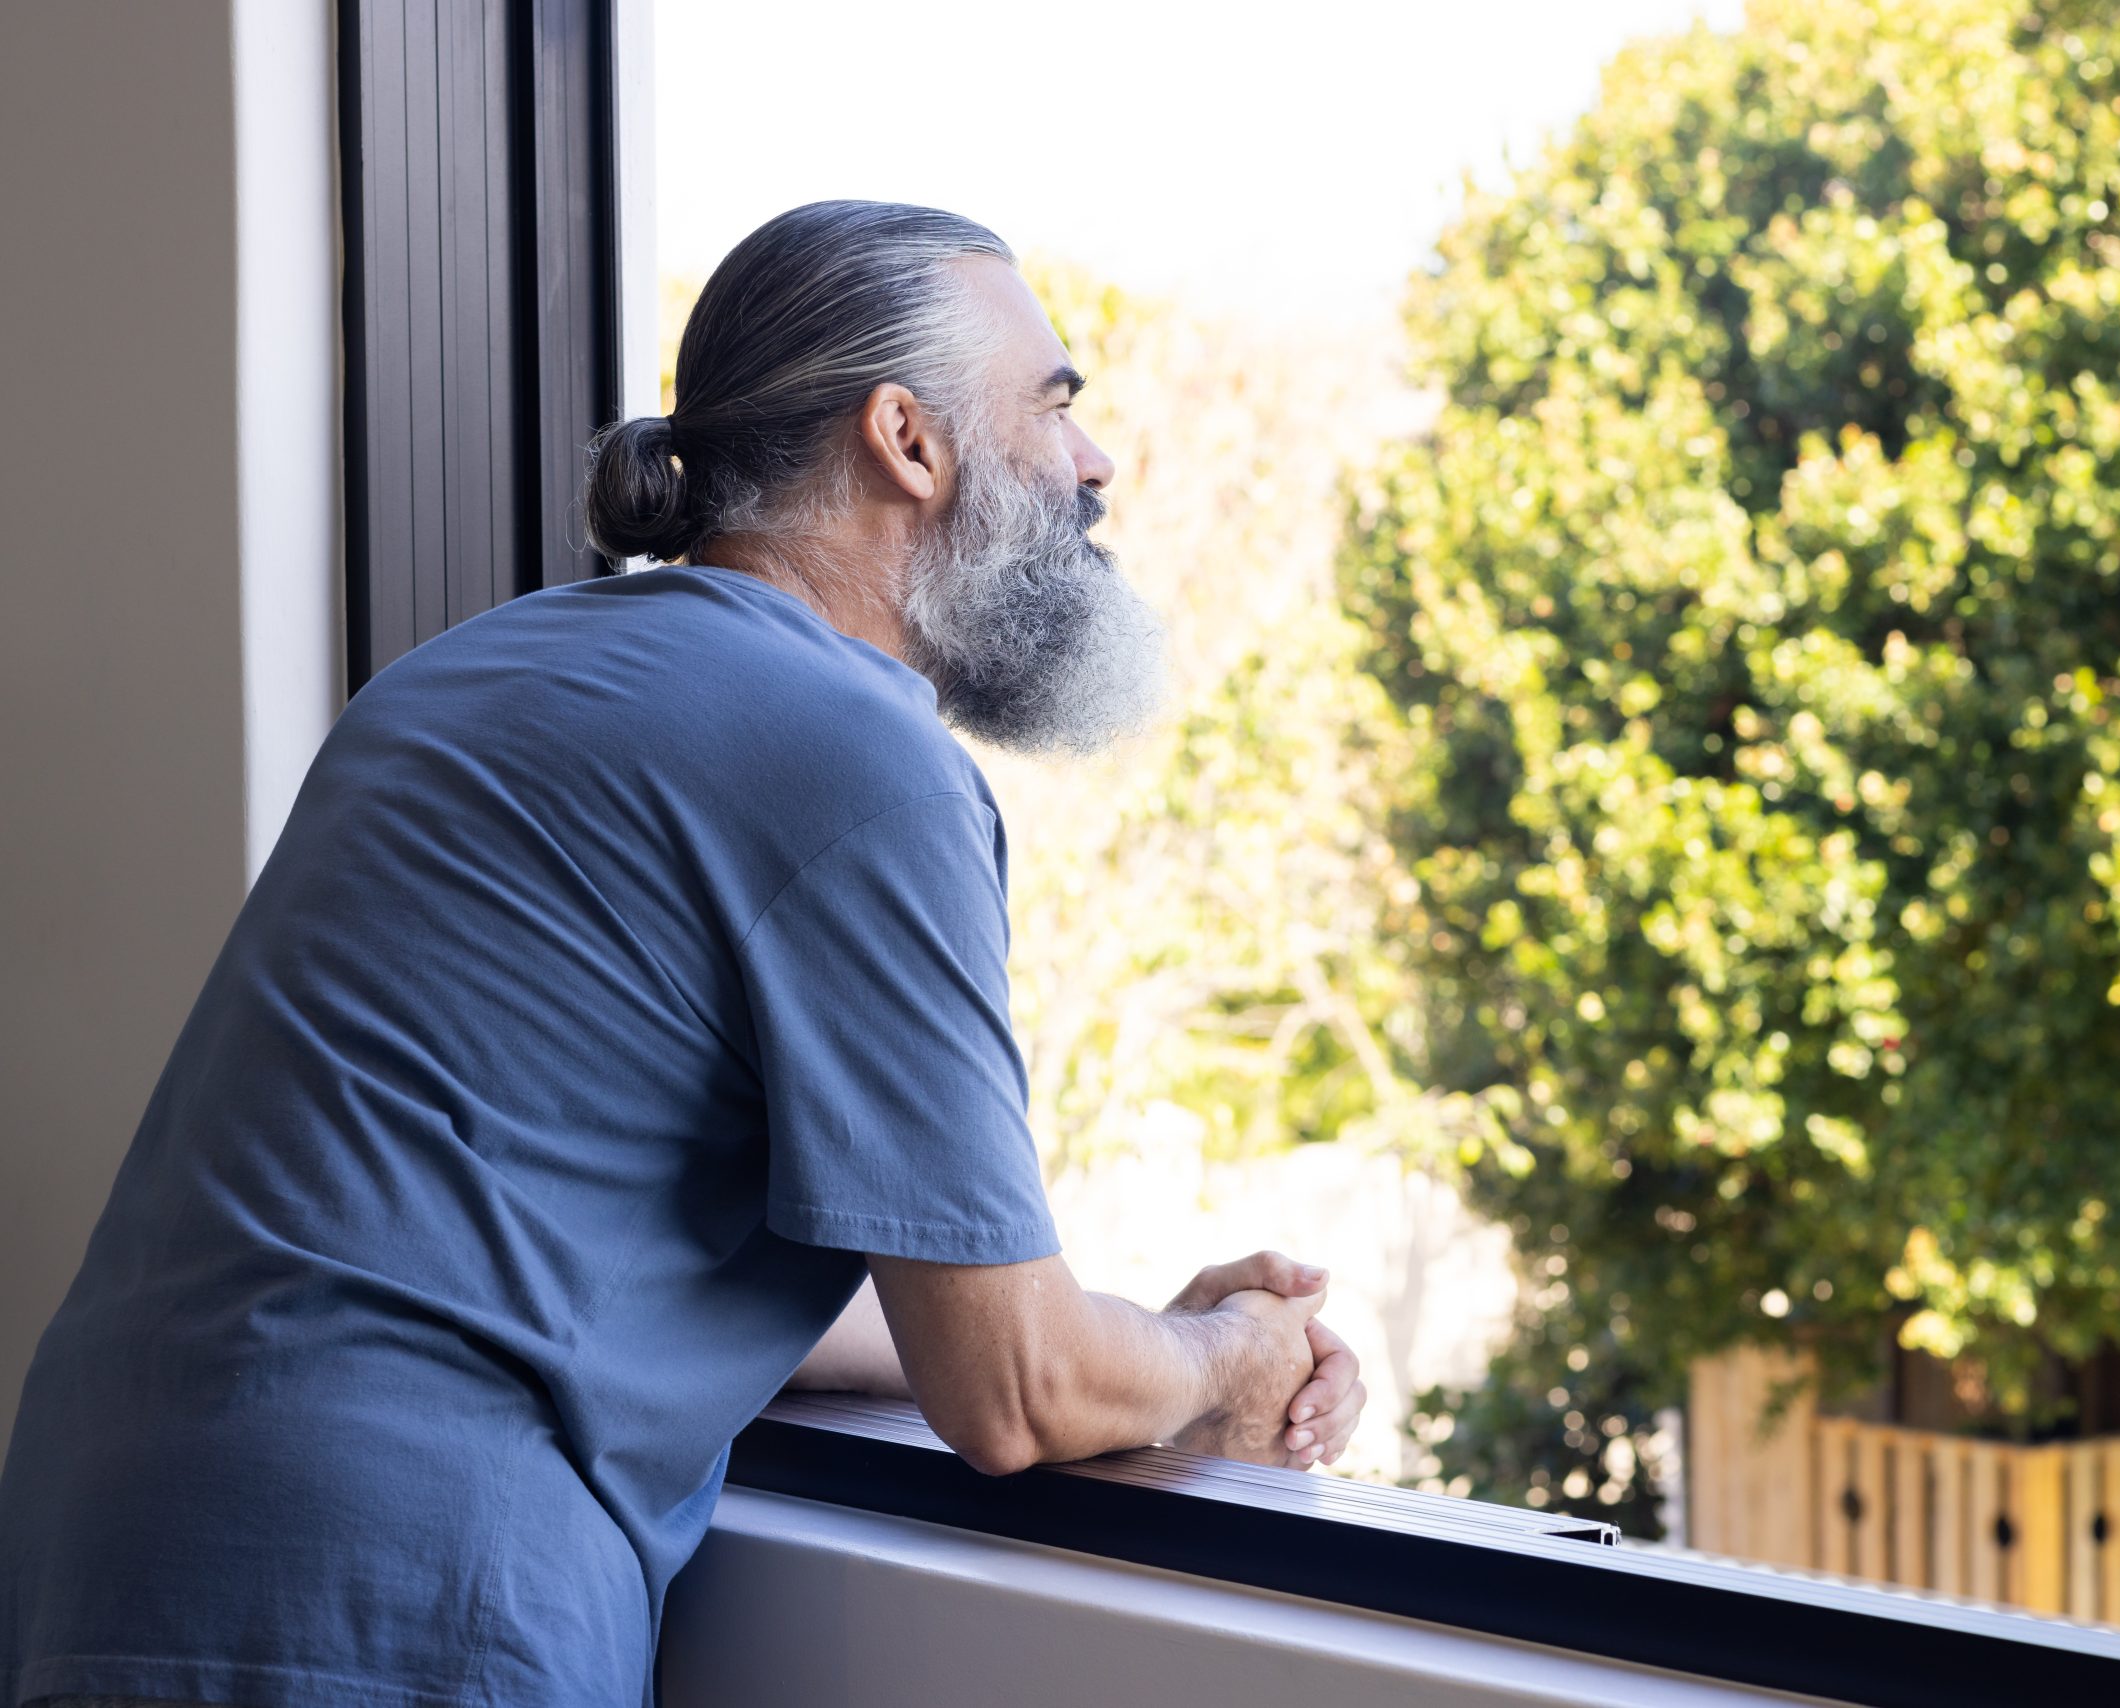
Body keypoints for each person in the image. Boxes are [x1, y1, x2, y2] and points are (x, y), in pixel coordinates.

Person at [0, 200, 1367, 1708]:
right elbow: (1016, 1393)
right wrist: (1219, 1361)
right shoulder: (858, 758)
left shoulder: (464, 676)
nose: (1095, 465)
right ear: (905, 439)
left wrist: (1112, 1330)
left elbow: (585, 1258)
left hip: (96, 1554)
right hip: (402, 1597)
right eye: (1055, 405)